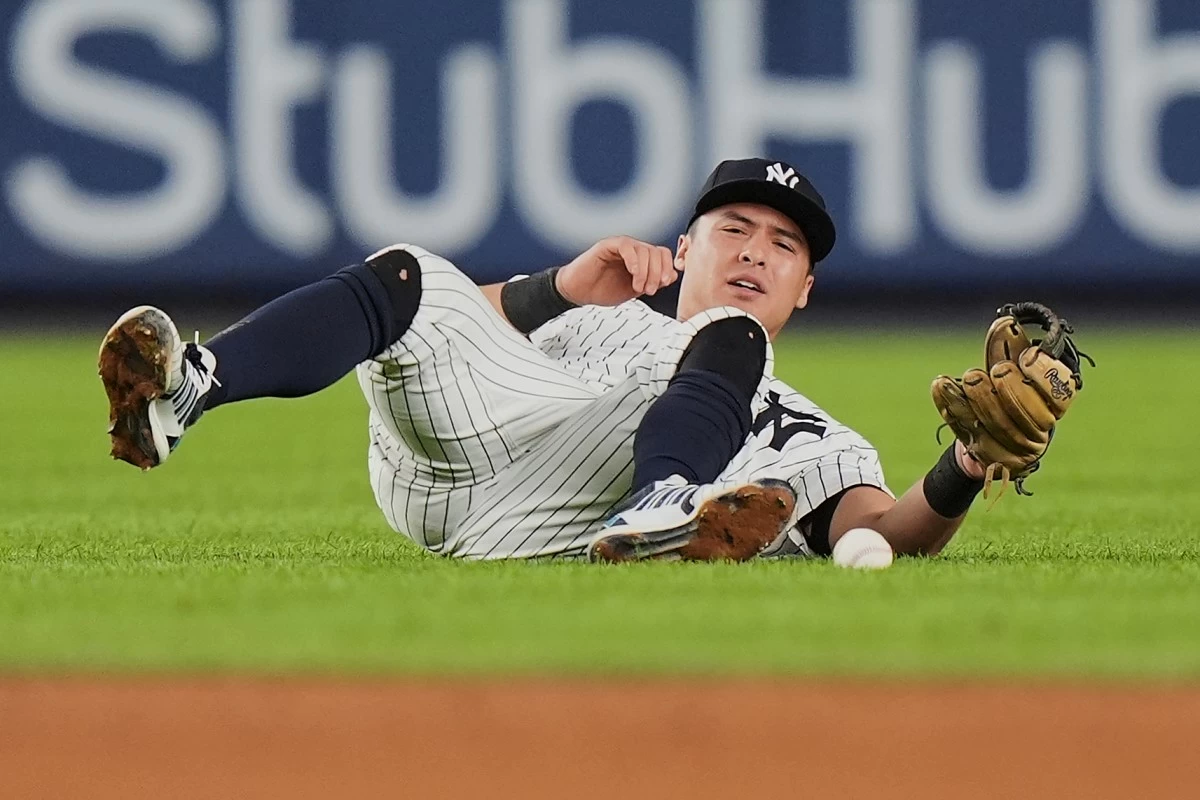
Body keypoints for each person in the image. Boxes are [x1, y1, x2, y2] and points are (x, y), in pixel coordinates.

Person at [98, 158, 1085, 562]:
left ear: (805, 288)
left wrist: (964, 466)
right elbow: (425, 319)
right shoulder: (602, 313)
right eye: (732, 228)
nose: (753, 250)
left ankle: (658, 501)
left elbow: (879, 531)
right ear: (685, 247)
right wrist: (561, 286)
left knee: (728, 348)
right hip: (448, 455)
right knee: (405, 266)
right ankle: (189, 384)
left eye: (783, 246)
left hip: (560, 509)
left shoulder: (800, 414)